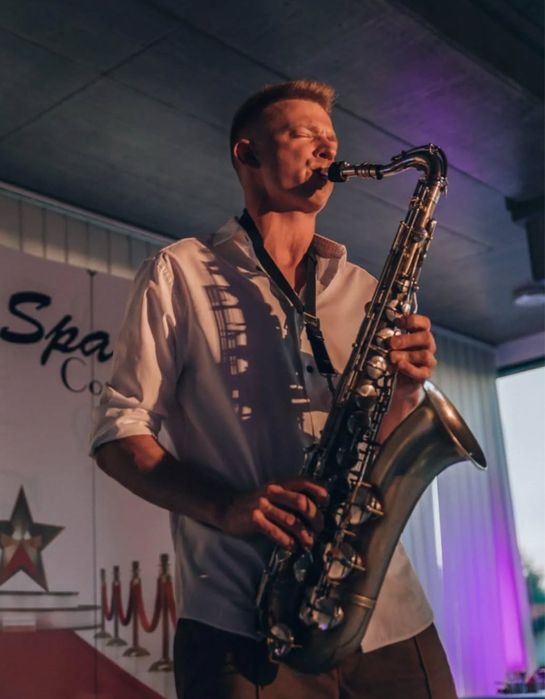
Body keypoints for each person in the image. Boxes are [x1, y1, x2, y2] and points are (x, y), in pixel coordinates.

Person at [91, 80, 458, 698]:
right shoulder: (179, 273)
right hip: (244, 624)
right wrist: (226, 507)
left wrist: (403, 391)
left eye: (331, 139)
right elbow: (117, 432)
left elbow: (379, 445)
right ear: (248, 153)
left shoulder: (368, 290)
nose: (327, 149)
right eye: (303, 134)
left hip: (389, 614)